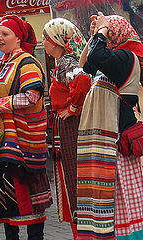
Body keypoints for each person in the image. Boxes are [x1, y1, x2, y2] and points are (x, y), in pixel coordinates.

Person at [0, 15, 53, 240]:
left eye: (5, 34)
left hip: (22, 143)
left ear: (18, 38)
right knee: (5, 199)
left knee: (26, 198)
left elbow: (32, 96)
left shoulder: (27, 62)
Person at [77, 12, 143, 239]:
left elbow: (97, 56)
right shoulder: (113, 59)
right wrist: (96, 33)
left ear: (115, 33)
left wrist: (102, 31)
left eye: (107, 32)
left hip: (116, 146)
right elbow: (85, 64)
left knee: (121, 201)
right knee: (107, 201)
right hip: (103, 145)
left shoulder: (127, 58)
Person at [42, 18, 91, 239]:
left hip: (71, 128)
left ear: (54, 41)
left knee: (73, 179)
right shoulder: (63, 62)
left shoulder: (66, 63)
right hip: (67, 128)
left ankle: (82, 232)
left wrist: (71, 108)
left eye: (45, 37)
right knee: (71, 179)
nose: (43, 42)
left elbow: (82, 81)